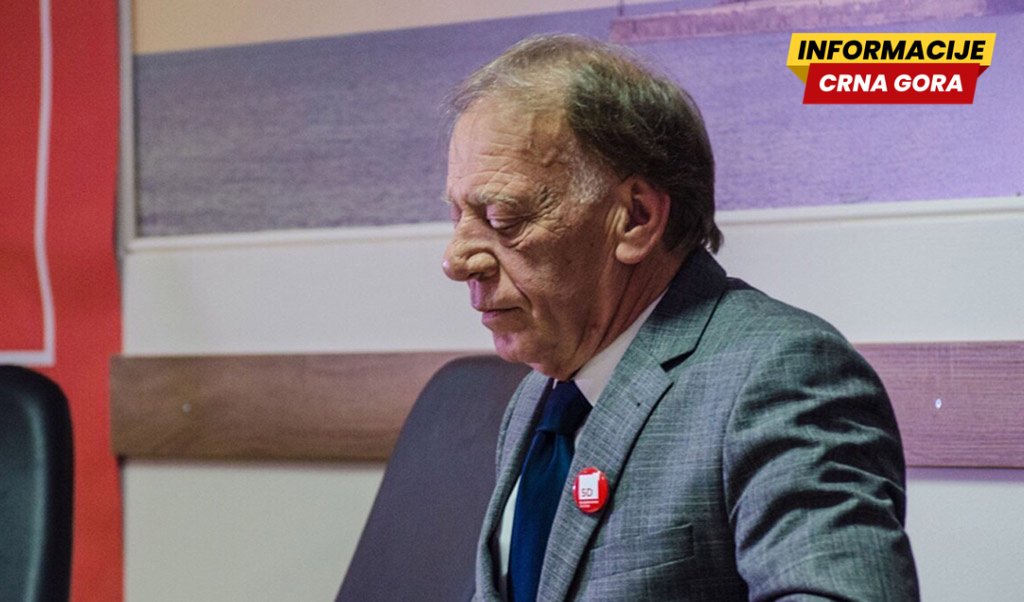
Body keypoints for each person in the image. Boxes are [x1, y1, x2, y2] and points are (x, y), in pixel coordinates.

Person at [441, 33, 918, 601]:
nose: (456, 260)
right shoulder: (537, 398)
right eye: (457, 216)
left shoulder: (783, 375)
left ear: (636, 219)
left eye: (504, 217)